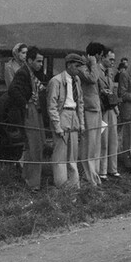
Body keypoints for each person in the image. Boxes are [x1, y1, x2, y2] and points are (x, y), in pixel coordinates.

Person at [8, 46, 45, 190]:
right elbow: (13, 90)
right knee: (35, 146)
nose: (41, 65)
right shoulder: (23, 73)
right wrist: (25, 104)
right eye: (38, 61)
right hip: (30, 112)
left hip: (34, 111)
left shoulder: (30, 72)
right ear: (29, 60)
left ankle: (27, 177)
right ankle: (33, 183)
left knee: (33, 146)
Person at [47, 53, 85, 188]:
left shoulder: (77, 80)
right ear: (68, 65)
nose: (79, 69)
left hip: (74, 115)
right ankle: (61, 186)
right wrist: (57, 125)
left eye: (80, 66)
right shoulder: (56, 81)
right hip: (62, 115)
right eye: (77, 66)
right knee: (60, 155)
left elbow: (80, 102)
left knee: (73, 155)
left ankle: (74, 186)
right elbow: (52, 106)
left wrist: (81, 123)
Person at [76, 41, 106, 187]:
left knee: (94, 145)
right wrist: (93, 63)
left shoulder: (89, 66)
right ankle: (89, 177)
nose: (100, 59)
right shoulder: (83, 66)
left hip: (95, 108)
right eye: (100, 56)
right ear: (96, 55)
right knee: (88, 145)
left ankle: (93, 175)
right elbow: (93, 79)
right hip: (88, 109)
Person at [97, 47, 121, 180]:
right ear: (103, 58)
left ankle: (113, 168)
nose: (113, 62)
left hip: (112, 108)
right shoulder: (97, 71)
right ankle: (102, 170)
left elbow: (113, 90)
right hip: (102, 108)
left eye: (114, 60)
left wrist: (116, 105)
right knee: (103, 140)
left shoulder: (110, 72)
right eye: (110, 59)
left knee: (113, 139)